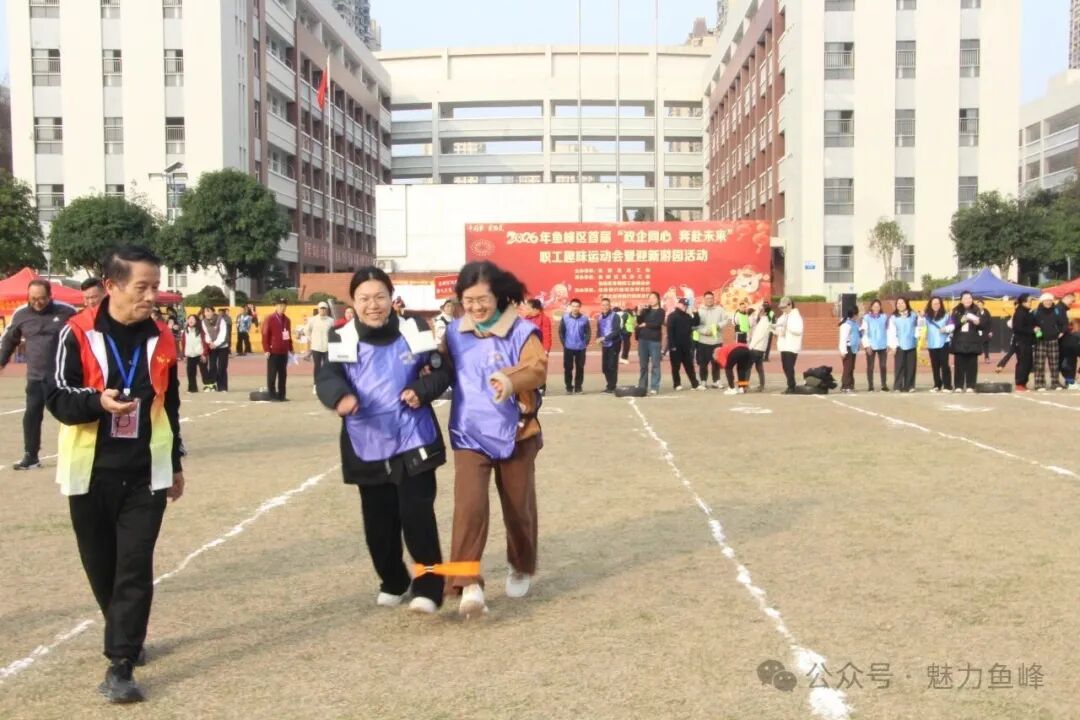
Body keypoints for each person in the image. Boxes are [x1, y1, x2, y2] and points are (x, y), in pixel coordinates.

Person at [45, 245, 185, 703]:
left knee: (134, 566)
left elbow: (170, 403)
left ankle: (120, 664)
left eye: (156, 286)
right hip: (91, 473)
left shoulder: (162, 336)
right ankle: (124, 631)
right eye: (142, 287)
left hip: (145, 473)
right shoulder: (76, 333)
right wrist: (97, 401)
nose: (152, 296)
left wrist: (175, 462)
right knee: (101, 566)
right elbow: (57, 397)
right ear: (112, 286)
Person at [316, 267, 450, 614]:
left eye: (380, 296)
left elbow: (440, 369)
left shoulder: (413, 328)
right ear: (353, 302)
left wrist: (422, 389)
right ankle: (393, 579)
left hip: (413, 436)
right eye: (364, 298)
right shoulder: (341, 337)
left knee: (417, 514)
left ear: (391, 299)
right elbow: (327, 376)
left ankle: (429, 585)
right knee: (378, 522)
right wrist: (340, 397)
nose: (373, 305)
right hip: (367, 440)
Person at [442, 260, 547, 618]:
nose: (476, 307)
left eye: (482, 299)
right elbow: (440, 369)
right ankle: (467, 583)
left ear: (498, 296)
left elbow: (537, 368)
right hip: (469, 431)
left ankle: (521, 564)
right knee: (469, 507)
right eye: (468, 300)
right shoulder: (454, 332)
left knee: (518, 507)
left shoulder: (522, 331)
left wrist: (508, 380)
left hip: (517, 433)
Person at [0, 279, 77, 470]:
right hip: (35, 376)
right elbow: (9, 340)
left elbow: (82, 337)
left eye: (42, 298)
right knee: (32, 415)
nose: (37, 302)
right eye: (33, 298)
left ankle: (76, 455)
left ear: (50, 296)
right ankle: (31, 455)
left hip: (62, 376)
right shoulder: (21, 314)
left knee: (71, 414)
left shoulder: (67, 311)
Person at [949, 291, 984, 392]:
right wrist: (961, 321)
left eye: (969, 298)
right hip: (959, 340)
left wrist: (978, 323)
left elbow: (983, 325)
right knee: (959, 364)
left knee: (972, 365)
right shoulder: (956, 310)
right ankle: (958, 385)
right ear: (961, 300)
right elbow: (953, 325)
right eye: (965, 298)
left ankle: (970, 385)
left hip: (972, 340)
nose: (968, 300)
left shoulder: (977, 310)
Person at [1032, 292, 1067, 391]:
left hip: (1053, 340)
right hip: (1040, 340)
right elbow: (1031, 323)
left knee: (1054, 363)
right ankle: (1039, 384)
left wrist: (1062, 332)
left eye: (1050, 300)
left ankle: (1055, 383)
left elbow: (1064, 323)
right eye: (1046, 300)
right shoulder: (1035, 312)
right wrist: (1034, 328)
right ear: (1042, 301)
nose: (1048, 302)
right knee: (1039, 364)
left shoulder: (1057, 311)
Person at [693, 291, 727, 388]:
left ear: (714, 299)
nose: (709, 300)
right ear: (704, 299)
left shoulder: (720, 309)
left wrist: (718, 326)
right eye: (707, 298)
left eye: (711, 298)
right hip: (703, 341)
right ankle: (703, 381)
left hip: (717, 341)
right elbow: (695, 325)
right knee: (703, 363)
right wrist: (704, 331)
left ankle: (716, 381)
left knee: (716, 362)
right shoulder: (699, 311)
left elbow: (725, 320)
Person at [262, 296, 293, 401]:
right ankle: (272, 395)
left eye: (284, 306)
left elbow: (288, 335)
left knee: (283, 374)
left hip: (283, 351)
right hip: (273, 351)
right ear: (275, 306)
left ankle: (282, 395)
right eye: (280, 305)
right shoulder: (270, 319)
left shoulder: (287, 320)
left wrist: (290, 347)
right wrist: (266, 349)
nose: (282, 308)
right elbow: (265, 335)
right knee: (272, 374)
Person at [665, 298, 700, 391]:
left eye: (686, 305)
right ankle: (677, 384)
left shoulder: (687, 316)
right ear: (678, 304)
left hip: (686, 346)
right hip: (675, 346)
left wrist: (696, 313)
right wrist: (672, 345)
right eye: (683, 304)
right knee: (675, 366)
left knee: (689, 366)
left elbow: (696, 322)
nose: (685, 306)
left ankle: (695, 384)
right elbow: (670, 331)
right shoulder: (672, 316)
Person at [921, 297, 954, 393]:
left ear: (941, 304)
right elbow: (921, 326)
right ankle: (937, 384)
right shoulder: (927, 316)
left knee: (944, 365)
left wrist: (945, 329)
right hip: (932, 344)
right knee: (935, 365)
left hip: (944, 343)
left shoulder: (946, 315)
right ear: (930, 305)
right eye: (934, 304)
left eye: (938, 303)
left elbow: (952, 326)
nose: (936, 305)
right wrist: (921, 317)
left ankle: (947, 385)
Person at [558, 298, 589, 394]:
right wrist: (564, 343)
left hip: (581, 348)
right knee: (568, 368)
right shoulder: (565, 318)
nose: (575, 308)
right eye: (573, 306)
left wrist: (585, 343)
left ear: (580, 307)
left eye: (577, 306)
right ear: (570, 307)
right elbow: (561, 332)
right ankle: (569, 387)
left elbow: (588, 332)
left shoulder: (584, 318)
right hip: (568, 347)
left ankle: (578, 387)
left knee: (580, 368)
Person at [636, 293, 665, 395]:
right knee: (643, 365)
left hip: (654, 341)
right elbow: (639, 322)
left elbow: (657, 324)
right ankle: (642, 386)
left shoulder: (661, 311)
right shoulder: (646, 310)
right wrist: (639, 312)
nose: (651, 300)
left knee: (655, 365)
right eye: (650, 298)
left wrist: (646, 324)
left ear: (658, 299)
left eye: (653, 298)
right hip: (643, 339)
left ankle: (654, 387)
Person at [774, 296, 803, 394]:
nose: (783, 309)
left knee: (789, 366)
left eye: (784, 307)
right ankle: (790, 385)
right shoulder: (782, 317)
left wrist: (787, 327)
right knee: (785, 367)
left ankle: (791, 386)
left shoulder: (796, 317)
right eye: (781, 308)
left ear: (790, 305)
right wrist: (775, 330)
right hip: (783, 345)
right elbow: (779, 329)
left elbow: (798, 330)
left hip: (792, 345)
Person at [888, 297, 918, 392]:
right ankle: (898, 386)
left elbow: (918, 327)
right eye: (898, 303)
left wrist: (917, 337)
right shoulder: (893, 317)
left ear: (906, 304)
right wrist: (893, 346)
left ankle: (909, 386)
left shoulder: (913, 315)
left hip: (911, 344)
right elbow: (891, 332)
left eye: (902, 303)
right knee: (899, 366)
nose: (900, 305)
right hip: (899, 345)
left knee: (911, 366)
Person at [1007, 294, 1036, 391]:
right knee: (1023, 363)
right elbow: (1018, 328)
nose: (1030, 303)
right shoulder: (1019, 313)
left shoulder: (1028, 312)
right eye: (1029, 301)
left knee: (1028, 362)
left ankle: (1023, 383)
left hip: (1028, 341)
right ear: (1023, 302)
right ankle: (1019, 383)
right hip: (1021, 342)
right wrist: (1032, 330)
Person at [523, 299, 552, 395]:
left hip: (540, 349)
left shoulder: (544, 319)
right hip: (528, 349)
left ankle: (541, 388)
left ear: (535, 309)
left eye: (528, 308)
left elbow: (547, 335)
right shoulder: (525, 319)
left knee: (540, 369)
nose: (525, 309)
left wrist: (546, 350)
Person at [860, 299, 889, 391]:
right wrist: (867, 345)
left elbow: (889, 330)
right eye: (874, 306)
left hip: (883, 345)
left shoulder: (884, 317)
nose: (876, 308)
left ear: (880, 307)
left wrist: (889, 344)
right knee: (870, 366)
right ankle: (870, 385)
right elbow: (864, 332)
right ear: (871, 307)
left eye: (878, 306)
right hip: (871, 346)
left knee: (883, 366)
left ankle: (884, 385)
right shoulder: (866, 318)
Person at [305, 301, 335, 390]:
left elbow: (333, 332)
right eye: (321, 308)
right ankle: (316, 384)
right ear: (318, 309)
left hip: (327, 347)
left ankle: (326, 383)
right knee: (317, 366)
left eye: (324, 309)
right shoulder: (312, 320)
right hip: (316, 347)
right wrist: (311, 339)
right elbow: (306, 330)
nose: (323, 310)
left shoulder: (331, 321)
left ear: (327, 310)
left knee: (327, 366)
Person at [180, 315, 211, 393]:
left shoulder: (201, 331)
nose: (190, 320)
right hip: (190, 355)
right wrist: (184, 355)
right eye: (189, 319)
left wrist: (204, 354)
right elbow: (184, 344)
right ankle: (192, 388)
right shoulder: (185, 332)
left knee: (204, 371)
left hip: (200, 354)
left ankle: (208, 386)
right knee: (190, 373)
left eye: (193, 319)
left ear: (196, 321)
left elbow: (205, 343)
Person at [597, 297, 622, 393]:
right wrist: (598, 338)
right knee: (605, 367)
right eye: (603, 305)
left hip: (614, 344)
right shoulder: (600, 317)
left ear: (610, 306)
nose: (605, 307)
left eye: (606, 305)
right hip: (605, 345)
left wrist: (604, 338)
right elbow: (599, 330)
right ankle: (609, 385)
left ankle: (612, 386)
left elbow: (616, 331)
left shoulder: (615, 316)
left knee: (612, 366)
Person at [201, 306, 228, 392]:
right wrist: (209, 342)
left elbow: (223, 333)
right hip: (212, 346)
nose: (207, 313)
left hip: (222, 346)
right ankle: (212, 385)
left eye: (208, 311)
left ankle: (222, 386)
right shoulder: (204, 322)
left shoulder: (221, 320)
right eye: (205, 312)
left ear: (213, 312)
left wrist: (215, 343)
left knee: (222, 366)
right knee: (212, 366)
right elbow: (206, 334)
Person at [747, 306, 770, 391]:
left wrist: (751, 346)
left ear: (765, 313)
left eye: (761, 310)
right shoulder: (764, 321)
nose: (759, 312)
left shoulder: (763, 322)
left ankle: (744, 386)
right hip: (761, 348)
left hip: (756, 348)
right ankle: (761, 385)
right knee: (759, 367)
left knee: (747, 367)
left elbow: (758, 336)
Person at [838, 307, 861, 393]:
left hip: (853, 348)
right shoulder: (846, 325)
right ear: (854, 315)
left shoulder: (855, 323)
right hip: (848, 348)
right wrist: (843, 351)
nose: (857, 316)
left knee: (851, 367)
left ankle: (851, 385)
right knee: (847, 368)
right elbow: (843, 339)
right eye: (856, 315)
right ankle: (845, 386)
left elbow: (857, 334)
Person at [1056, 292, 1076, 388]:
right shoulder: (1059, 309)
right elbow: (1061, 324)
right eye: (1072, 300)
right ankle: (1069, 381)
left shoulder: (1062, 309)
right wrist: (1063, 331)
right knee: (1066, 360)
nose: (1072, 303)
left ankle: (1069, 380)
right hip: (1063, 339)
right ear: (1066, 298)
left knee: (1066, 359)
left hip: (1065, 338)